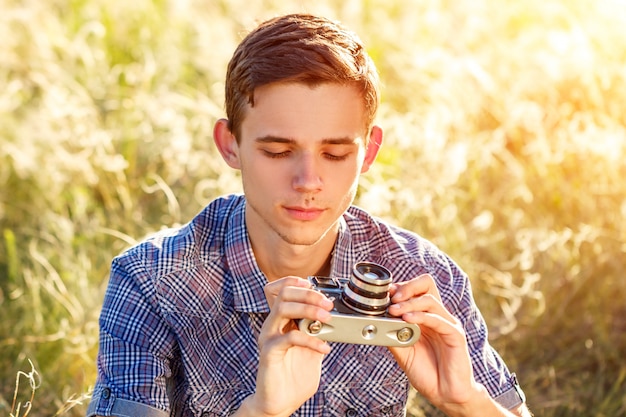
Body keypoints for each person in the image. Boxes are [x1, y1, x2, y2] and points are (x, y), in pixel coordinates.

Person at [87, 13, 532, 417]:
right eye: (278, 151)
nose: (308, 181)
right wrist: (261, 411)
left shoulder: (420, 276)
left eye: (335, 153)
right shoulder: (151, 281)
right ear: (230, 144)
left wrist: (466, 401)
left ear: (369, 152)